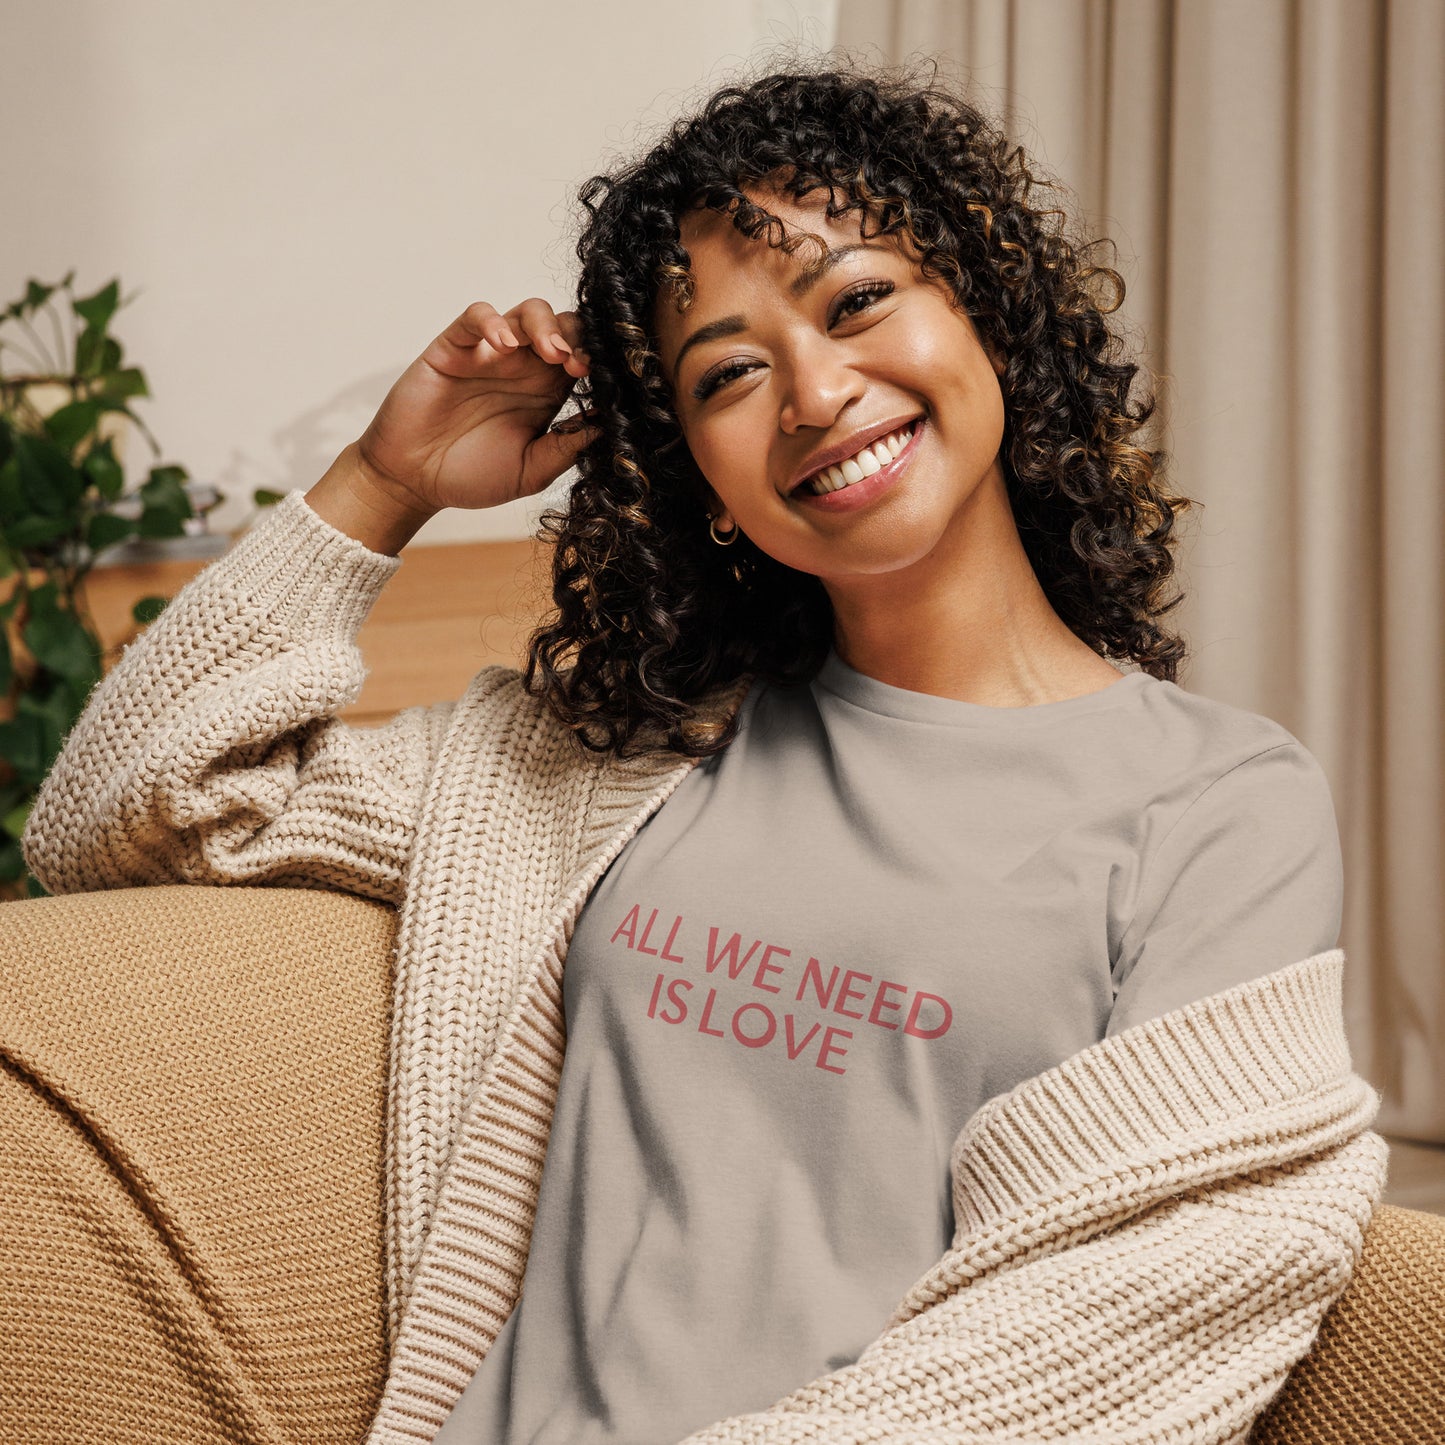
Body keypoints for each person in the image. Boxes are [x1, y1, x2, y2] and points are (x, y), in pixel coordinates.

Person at [17, 60, 1386, 1445]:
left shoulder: (1215, 801)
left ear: (986, 315)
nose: (811, 390)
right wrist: (382, 483)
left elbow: (1139, 1303)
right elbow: (127, 814)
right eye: (728, 371)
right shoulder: (612, 763)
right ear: (702, 480)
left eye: (858, 301)